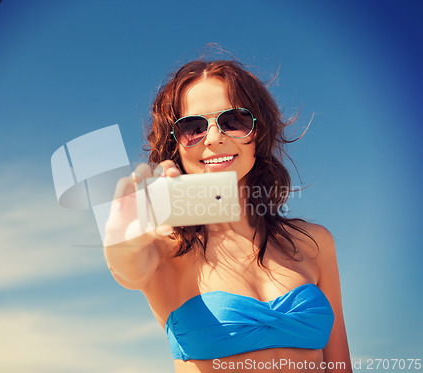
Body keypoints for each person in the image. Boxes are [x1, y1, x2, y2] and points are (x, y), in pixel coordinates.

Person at [104, 59, 352, 373]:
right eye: (192, 128)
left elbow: (340, 364)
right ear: (176, 145)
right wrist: (121, 240)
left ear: (257, 133)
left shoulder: (314, 242)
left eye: (233, 120)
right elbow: (129, 268)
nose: (212, 138)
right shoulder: (166, 247)